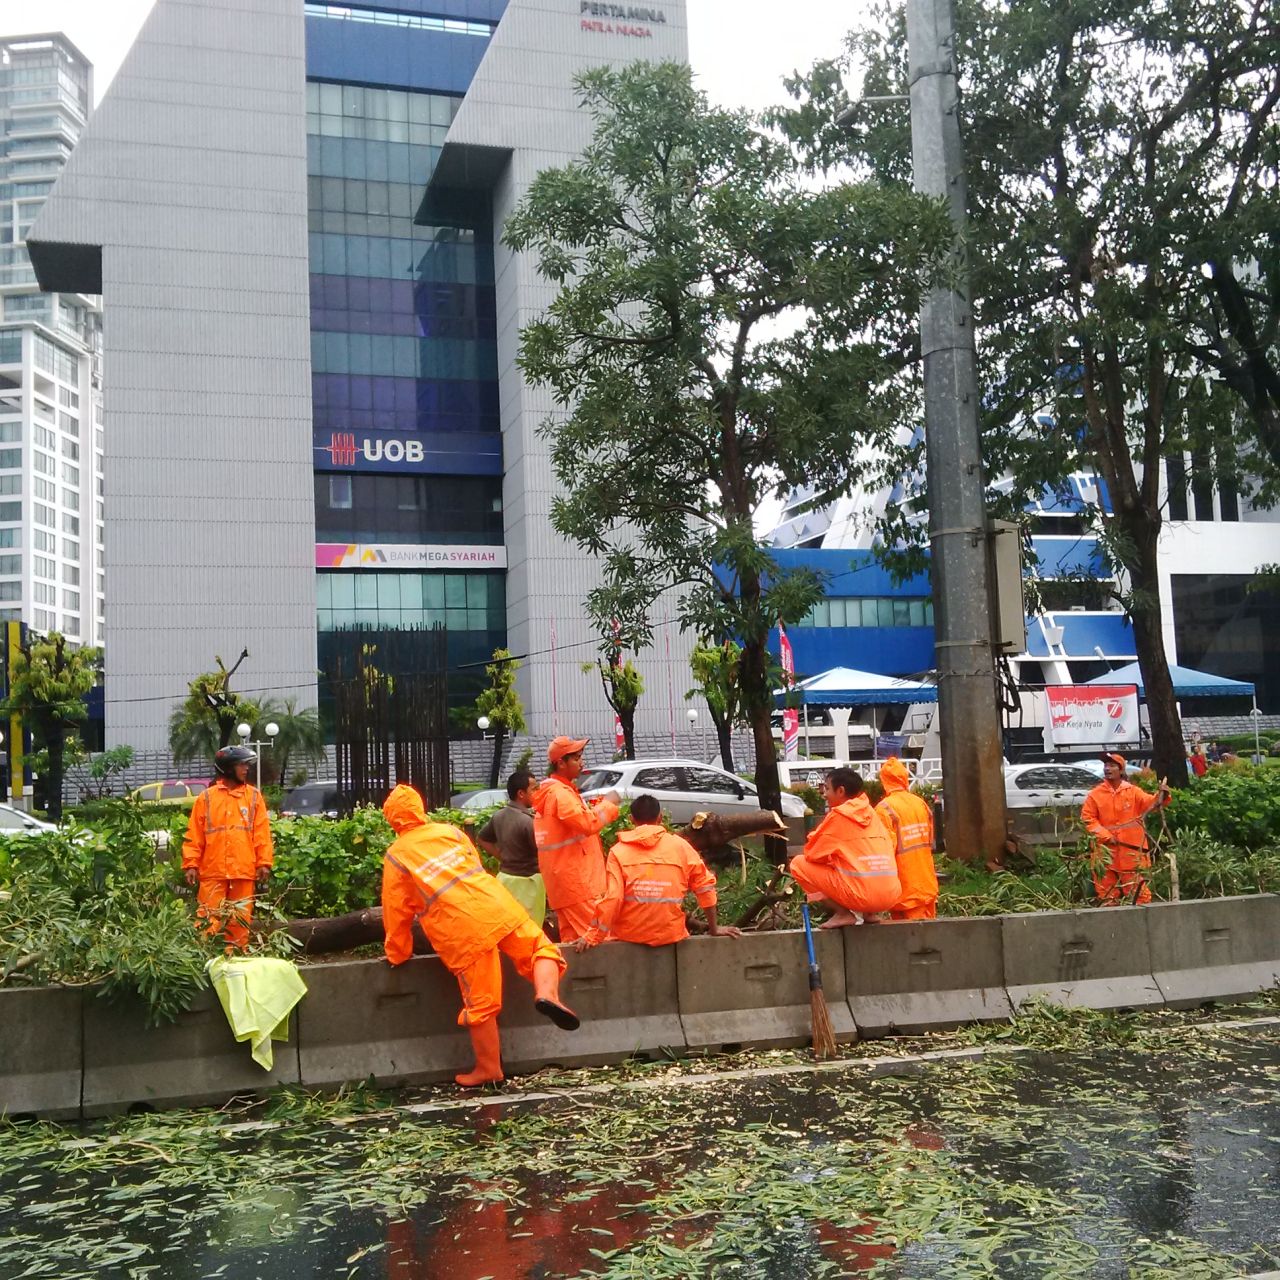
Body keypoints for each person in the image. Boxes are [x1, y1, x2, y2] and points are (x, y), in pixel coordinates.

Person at [380, 784, 579, 1087]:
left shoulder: (397, 856)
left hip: (462, 928)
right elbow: (473, 864)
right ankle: (547, 994)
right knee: (542, 949)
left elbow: (397, 912)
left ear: (393, 819)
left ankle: (489, 1069)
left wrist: (398, 953)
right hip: (497, 905)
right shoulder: (451, 832)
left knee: (482, 1003)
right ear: (420, 809)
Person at [573, 793, 742, 950]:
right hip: (671, 934)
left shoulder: (618, 852)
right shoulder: (680, 847)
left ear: (632, 819)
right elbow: (704, 886)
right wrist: (714, 928)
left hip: (630, 936)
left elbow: (613, 899)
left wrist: (592, 937)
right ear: (660, 818)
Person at [181, 744, 273, 950]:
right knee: (208, 918)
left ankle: (237, 957)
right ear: (228, 767)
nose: (246, 769)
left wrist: (264, 862)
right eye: (241, 764)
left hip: (243, 869)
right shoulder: (206, 798)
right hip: (213, 871)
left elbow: (262, 834)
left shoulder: (254, 797)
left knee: (240, 920)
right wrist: (191, 864)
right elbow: (194, 834)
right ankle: (206, 956)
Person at [531, 737, 620, 943]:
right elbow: (587, 824)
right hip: (579, 886)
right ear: (561, 763)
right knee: (601, 940)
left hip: (566, 886)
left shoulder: (555, 793)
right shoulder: (560, 794)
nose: (582, 762)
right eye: (576, 758)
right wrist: (609, 804)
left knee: (573, 948)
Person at [788, 768, 900, 928]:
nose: (824, 794)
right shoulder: (872, 813)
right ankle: (869, 913)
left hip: (862, 895)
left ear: (840, 791)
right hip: (890, 895)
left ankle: (843, 913)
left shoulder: (840, 816)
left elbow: (812, 854)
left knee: (798, 864)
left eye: (826, 788)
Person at [1080, 751, 1171, 906]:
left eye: (1112, 765)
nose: (1107, 768)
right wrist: (1106, 836)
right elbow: (1087, 819)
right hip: (1105, 854)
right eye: (1106, 765)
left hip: (1132, 853)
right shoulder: (1095, 795)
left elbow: (1152, 804)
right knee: (1107, 896)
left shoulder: (1133, 792)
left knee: (1139, 895)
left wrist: (1163, 794)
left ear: (1121, 770)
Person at [476, 769, 546, 926]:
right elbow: (543, 854)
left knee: (508, 927)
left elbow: (482, 839)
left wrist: (502, 856)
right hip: (528, 885)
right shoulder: (528, 822)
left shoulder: (499, 816)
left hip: (505, 879)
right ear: (521, 794)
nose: (537, 792)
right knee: (530, 930)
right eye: (534, 789)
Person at [875, 757, 939, 920]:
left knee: (910, 941)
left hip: (904, 888)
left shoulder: (884, 809)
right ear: (904, 778)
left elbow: (884, 852)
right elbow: (930, 841)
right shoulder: (920, 803)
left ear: (884, 781)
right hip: (926, 882)